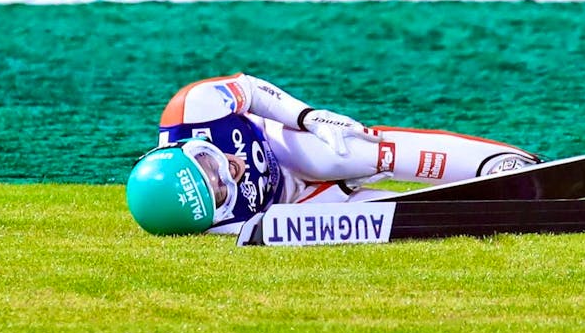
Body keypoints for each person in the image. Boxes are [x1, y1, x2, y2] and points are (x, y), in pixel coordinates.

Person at [126, 73, 541, 235]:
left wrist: (307, 117)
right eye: (219, 191)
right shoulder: (219, 228)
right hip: (287, 204)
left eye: (207, 161)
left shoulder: (193, 108)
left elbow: (249, 89)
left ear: (183, 146)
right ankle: (464, 209)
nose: (229, 170)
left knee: (339, 153)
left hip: (282, 146)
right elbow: (277, 230)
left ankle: (493, 164)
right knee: (375, 216)